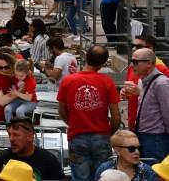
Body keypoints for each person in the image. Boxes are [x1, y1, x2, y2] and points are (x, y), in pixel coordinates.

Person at [58, 45, 121, 181]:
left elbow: (62, 111)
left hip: (77, 135)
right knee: (103, 177)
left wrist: (74, 123)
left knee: (80, 177)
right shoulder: (107, 82)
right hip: (101, 136)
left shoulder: (68, 81)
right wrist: (108, 132)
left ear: (86, 57)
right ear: (103, 63)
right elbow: (116, 116)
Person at [0, 117, 65, 180]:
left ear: (30, 137)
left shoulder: (48, 160)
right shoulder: (4, 158)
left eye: (16, 135)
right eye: (9, 134)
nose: (11, 139)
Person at [130, 48, 169, 162]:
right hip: (143, 135)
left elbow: (167, 113)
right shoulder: (142, 80)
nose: (132, 65)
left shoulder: (161, 83)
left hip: (156, 138)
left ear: (149, 63)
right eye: (132, 61)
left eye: (136, 62)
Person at [123, 35, 169, 130]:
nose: (134, 49)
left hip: (153, 130)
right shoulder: (132, 67)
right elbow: (130, 95)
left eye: (139, 46)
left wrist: (140, 92)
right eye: (133, 45)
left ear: (150, 49)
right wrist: (124, 93)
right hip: (134, 124)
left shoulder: (162, 70)